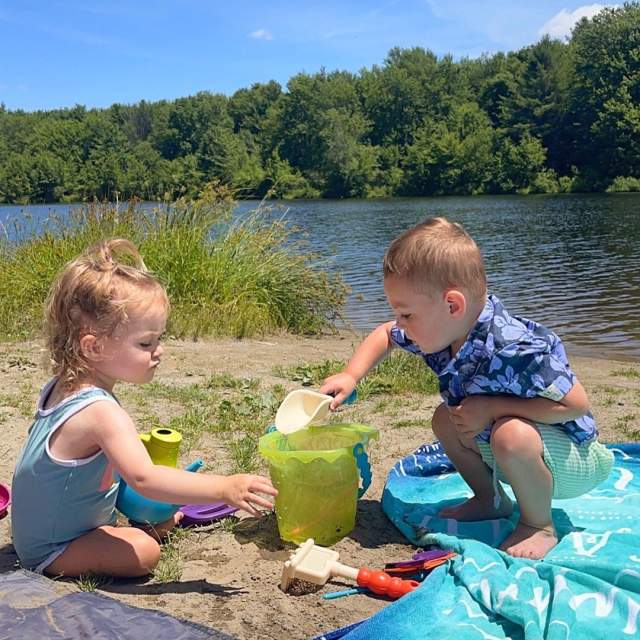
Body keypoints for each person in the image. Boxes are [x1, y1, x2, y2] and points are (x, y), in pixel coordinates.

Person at [321, 217, 613, 559]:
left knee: (510, 433)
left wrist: (492, 408)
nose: (400, 323)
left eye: (407, 314)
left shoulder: (512, 346)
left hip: (574, 460)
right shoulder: (448, 328)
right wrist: (350, 375)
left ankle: (538, 525)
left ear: (452, 305)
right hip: (519, 450)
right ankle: (491, 500)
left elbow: (576, 404)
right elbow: (386, 334)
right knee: (446, 418)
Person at [11, 239, 277, 578]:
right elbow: (144, 479)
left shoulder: (61, 386)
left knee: (143, 509)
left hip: (38, 532)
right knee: (146, 552)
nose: (160, 351)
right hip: (53, 549)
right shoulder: (102, 413)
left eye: (159, 339)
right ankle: (132, 535)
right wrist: (225, 488)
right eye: (146, 343)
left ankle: (130, 528)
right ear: (94, 347)